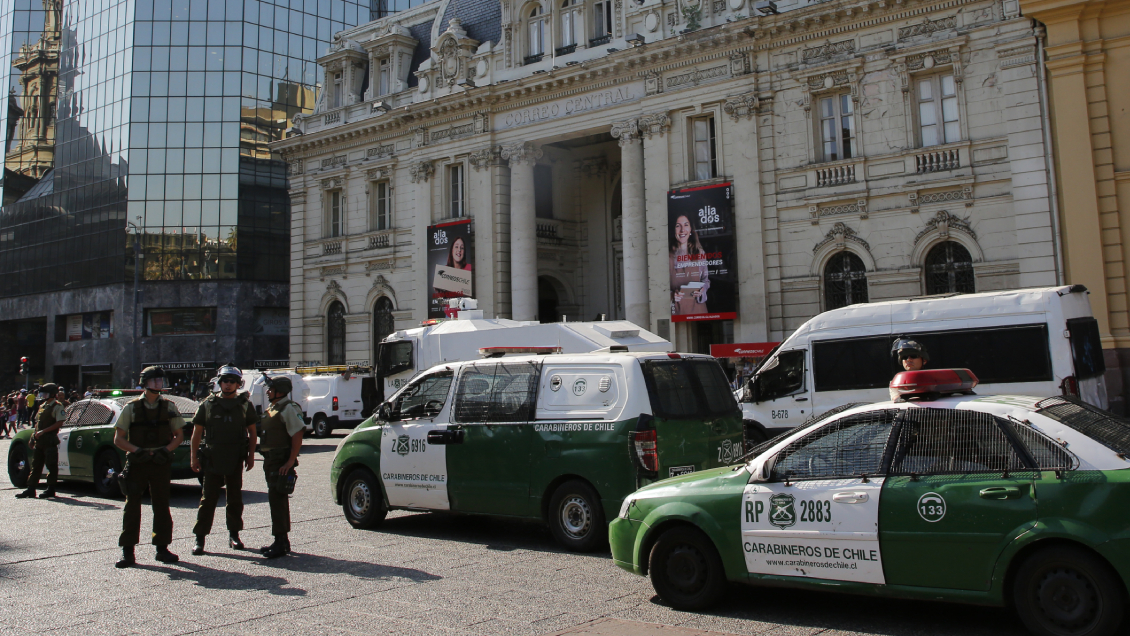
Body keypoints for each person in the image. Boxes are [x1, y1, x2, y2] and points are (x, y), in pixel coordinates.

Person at [113, 366, 185, 568]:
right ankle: (128, 552)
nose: (158, 384)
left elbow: (179, 435)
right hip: (138, 462)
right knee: (132, 506)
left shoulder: (169, 407)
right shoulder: (131, 407)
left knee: (161, 505)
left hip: (160, 462)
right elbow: (118, 439)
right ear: (144, 383)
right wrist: (137, 451)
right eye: (154, 380)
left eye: (160, 380)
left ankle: (162, 548)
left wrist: (166, 450)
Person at [190, 365, 259, 555]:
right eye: (225, 381)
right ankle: (200, 538)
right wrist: (193, 457)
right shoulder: (208, 404)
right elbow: (197, 432)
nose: (228, 385)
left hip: (235, 457)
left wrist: (251, 456)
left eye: (232, 382)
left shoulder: (245, 404)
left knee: (235, 498)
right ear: (219, 383)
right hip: (212, 458)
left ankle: (234, 535)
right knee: (208, 499)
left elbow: (252, 432)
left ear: (238, 384)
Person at [259, 375, 305, 559]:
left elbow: (297, 434)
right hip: (271, 460)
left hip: (280, 461)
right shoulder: (274, 407)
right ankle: (282, 540)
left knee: (277, 500)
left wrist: (290, 461)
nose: (268, 391)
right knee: (276, 499)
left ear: (280, 391)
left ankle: (280, 542)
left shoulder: (288, 408)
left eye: (271, 389)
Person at [15, 383, 65, 499]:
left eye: (46, 393)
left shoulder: (57, 406)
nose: (43, 396)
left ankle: (51, 488)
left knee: (51, 465)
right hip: (40, 440)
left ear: (52, 394)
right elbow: (38, 424)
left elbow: (59, 422)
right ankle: (31, 488)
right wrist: (33, 438)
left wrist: (44, 431)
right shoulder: (43, 406)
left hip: (50, 440)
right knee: (36, 465)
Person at [669, 214, 710, 315]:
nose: (682, 230)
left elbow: (706, 280)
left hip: (698, 310)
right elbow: (659, 287)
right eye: (678, 226)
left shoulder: (700, 253)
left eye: (686, 225)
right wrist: (671, 295)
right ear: (673, 229)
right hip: (677, 311)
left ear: (691, 229)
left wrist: (702, 290)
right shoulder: (666, 256)